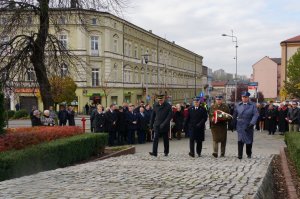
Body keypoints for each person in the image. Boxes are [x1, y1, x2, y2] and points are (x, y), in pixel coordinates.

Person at [232, 91, 259, 159]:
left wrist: (252, 123)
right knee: (240, 139)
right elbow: (235, 114)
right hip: (240, 125)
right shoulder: (238, 105)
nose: (244, 98)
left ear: (248, 98)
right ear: (241, 97)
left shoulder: (252, 105)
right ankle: (240, 154)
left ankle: (248, 153)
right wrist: (233, 123)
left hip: (248, 124)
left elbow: (256, 115)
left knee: (248, 140)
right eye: (243, 97)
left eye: (246, 97)